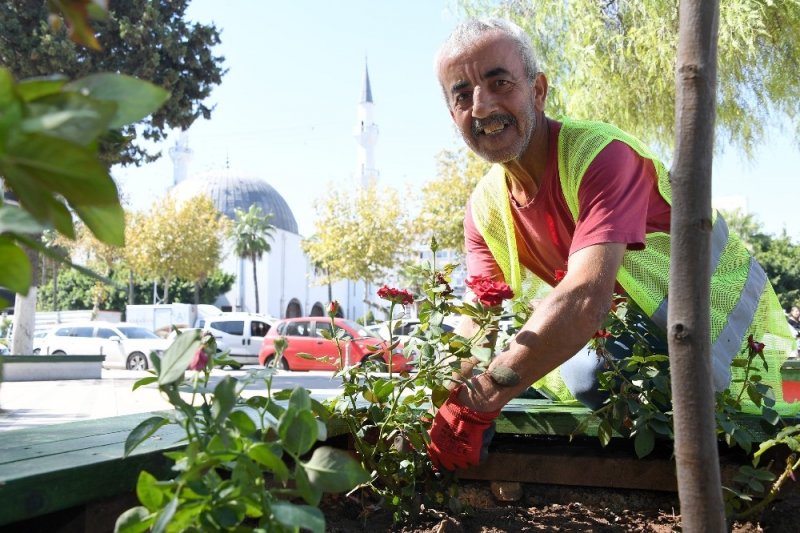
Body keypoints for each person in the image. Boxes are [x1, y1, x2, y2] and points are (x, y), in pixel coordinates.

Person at [426, 18, 796, 471]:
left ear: (538, 91)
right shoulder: (484, 206)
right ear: (451, 114)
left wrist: (482, 397)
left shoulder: (600, 155)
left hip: (717, 322)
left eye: (499, 83)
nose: (481, 107)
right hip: (629, 335)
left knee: (584, 370)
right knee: (499, 364)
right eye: (462, 95)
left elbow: (585, 298)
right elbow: (477, 323)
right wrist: (444, 399)